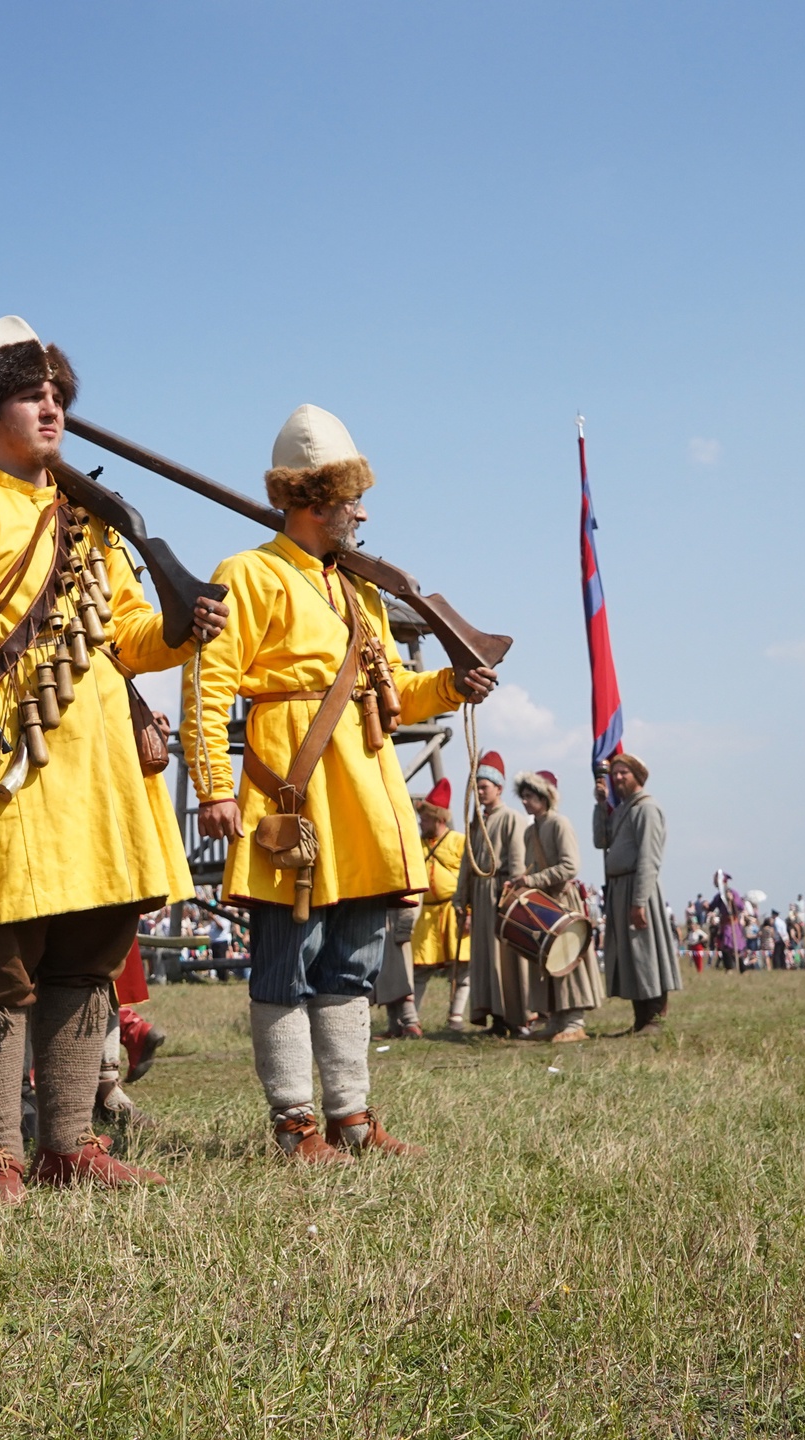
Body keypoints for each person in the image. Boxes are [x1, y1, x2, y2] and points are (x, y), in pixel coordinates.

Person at [0, 315, 224, 1204]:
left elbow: (126, 637)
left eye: (59, 395)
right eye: (34, 393)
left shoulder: (89, 520)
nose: (52, 408)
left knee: (86, 956)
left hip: (102, 772)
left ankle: (70, 1144)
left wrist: (185, 628)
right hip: (2, 766)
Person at [187, 402, 491, 1162]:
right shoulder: (246, 574)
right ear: (318, 501)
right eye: (352, 498)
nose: (362, 512)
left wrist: (452, 685)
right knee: (286, 962)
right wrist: (214, 787)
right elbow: (204, 686)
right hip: (292, 795)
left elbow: (396, 691)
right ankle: (295, 1124)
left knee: (352, 964)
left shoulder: (357, 593)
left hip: (364, 798)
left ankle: (350, 1118)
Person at [593, 754, 680, 1034]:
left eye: (623, 773)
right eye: (614, 773)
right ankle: (640, 1019)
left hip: (638, 887)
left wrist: (639, 901)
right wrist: (600, 804)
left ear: (637, 776)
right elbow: (600, 840)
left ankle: (655, 1017)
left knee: (646, 950)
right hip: (619, 888)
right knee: (629, 954)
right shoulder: (622, 810)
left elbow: (649, 858)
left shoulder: (647, 809)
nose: (617, 778)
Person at [517, 771, 604, 1042]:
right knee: (548, 962)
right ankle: (554, 1020)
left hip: (563, 903)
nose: (524, 802)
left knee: (568, 961)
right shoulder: (531, 830)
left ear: (545, 797)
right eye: (523, 796)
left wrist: (532, 879)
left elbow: (570, 866)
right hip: (543, 906)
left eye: (529, 796)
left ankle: (574, 1022)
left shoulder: (559, 824)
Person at [458, 751, 530, 1035]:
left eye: (484, 786)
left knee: (504, 960)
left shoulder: (512, 819)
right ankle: (495, 1018)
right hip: (480, 897)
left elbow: (517, 863)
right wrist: (460, 900)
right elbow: (468, 865)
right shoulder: (476, 822)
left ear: (498, 788)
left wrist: (510, 895)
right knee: (485, 960)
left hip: (501, 896)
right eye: (477, 786)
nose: (479, 791)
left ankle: (514, 1017)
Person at [389, 780, 463, 1036]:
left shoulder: (457, 841)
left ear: (437, 818)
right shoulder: (418, 844)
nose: (422, 822)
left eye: (425, 818)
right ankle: (413, 1020)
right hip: (425, 915)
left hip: (452, 912)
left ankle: (456, 1018)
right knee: (420, 969)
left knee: (461, 968)